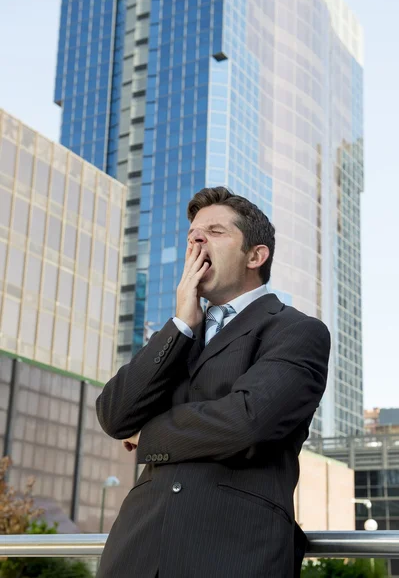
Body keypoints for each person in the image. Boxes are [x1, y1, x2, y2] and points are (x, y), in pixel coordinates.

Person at [96, 186, 330, 578]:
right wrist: (179, 325)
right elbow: (114, 415)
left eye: (215, 231)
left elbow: (247, 422)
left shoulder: (296, 330)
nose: (197, 239)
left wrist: (150, 434)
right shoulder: (178, 336)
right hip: (136, 553)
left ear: (256, 255)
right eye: (192, 234)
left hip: (233, 553)